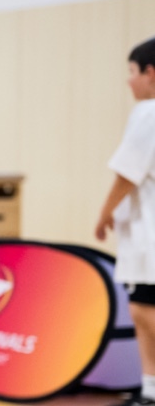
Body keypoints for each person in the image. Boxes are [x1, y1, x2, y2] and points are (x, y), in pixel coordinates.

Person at [95, 36, 155, 406]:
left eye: (132, 72)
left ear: (151, 74)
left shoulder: (150, 113)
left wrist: (102, 215)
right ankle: (150, 389)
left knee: (145, 311)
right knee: (140, 310)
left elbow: (127, 174)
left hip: (150, 236)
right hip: (142, 234)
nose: (128, 81)